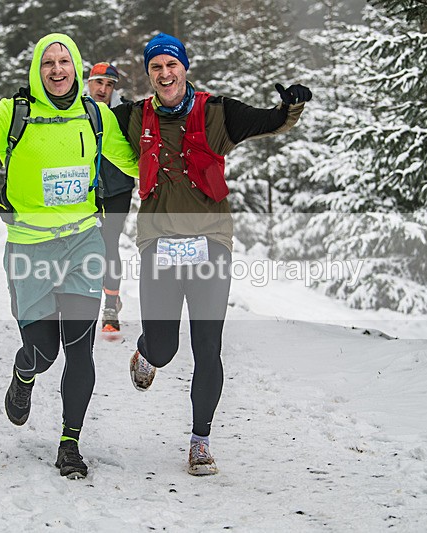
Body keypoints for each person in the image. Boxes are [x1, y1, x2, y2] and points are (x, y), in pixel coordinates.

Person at [111, 33, 312, 476]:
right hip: (159, 242)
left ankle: (200, 440)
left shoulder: (217, 111)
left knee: (208, 346)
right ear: (149, 74)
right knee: (164, 347)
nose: (165, 74)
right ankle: (147, 352)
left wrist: (291, 106)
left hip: (211, 242)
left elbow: (271, 121)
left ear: (185, 67)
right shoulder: (130, 116)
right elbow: (85, 132)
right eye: (156, 67)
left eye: (172, 65)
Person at [0, 33, 138, 479]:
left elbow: (131, 162)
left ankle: (70, 443)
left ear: (77, 66)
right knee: (43, 352)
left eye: (64, 61)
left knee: (79, 350)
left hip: (83, 242)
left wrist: (180, 173)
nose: (56, 69)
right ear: (37, 68)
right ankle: (24, 372)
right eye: (47, 61)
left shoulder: (95, 115)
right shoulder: (14, 113)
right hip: (30, 247)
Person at [85, 62, 136, 338]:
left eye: (109, 85)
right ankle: (85, 300)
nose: (103, 89)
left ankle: (110, 307)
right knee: (86, 244)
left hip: (117, 189)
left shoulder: (124, 111)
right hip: (85, 191)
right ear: (89, 83)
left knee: (109, 243)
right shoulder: (76, 109)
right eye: (99, 83)